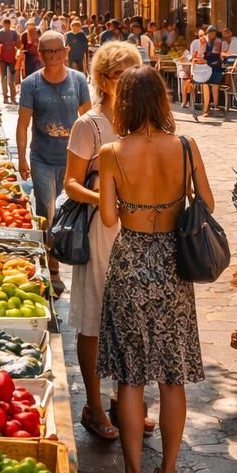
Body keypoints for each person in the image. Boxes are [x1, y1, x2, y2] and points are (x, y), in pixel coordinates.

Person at [95, 66, 213, 473]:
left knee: (131, 377)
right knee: (172, 374)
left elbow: (109, 218)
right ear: (162, 100)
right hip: (172, 265)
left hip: (130, 262)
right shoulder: (185, 146)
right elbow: (207, 202)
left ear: (124, 103)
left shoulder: (111, 152)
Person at [64, 41, 145, 441]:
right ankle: (94, 406)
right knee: (94, 319)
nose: (127, 82)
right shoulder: (90, 125)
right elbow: (71, 184)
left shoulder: (144, 122)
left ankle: (123, 401)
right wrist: (105, 199)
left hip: (139, 231)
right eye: (119, 75)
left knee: (131, 319)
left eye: (133, 74)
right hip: (101, 229)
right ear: (103, 79)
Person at [17, 30, 92, 295]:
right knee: (46, 213)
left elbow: (88, 118)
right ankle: (53, 269)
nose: (52, 56)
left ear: (65, 52)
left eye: (57, 50)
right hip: (42, 159)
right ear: (39, 54)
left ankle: (76, 263)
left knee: (71, 213)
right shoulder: (31, 84)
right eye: (47, 51)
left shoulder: (78, 80)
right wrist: (22, 158)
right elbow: (23, 123)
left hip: (73, 160)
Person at [186, 27, 213, 116]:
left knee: (205, 84)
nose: (202, 37)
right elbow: (191, 56)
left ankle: (206, 109)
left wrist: (204, 60)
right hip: (196, 67)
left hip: (206, 67)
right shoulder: (195, 43)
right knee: (190, 80)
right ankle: (191, 103)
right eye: (200, 35)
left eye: (204, 35)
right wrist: (193, 57)